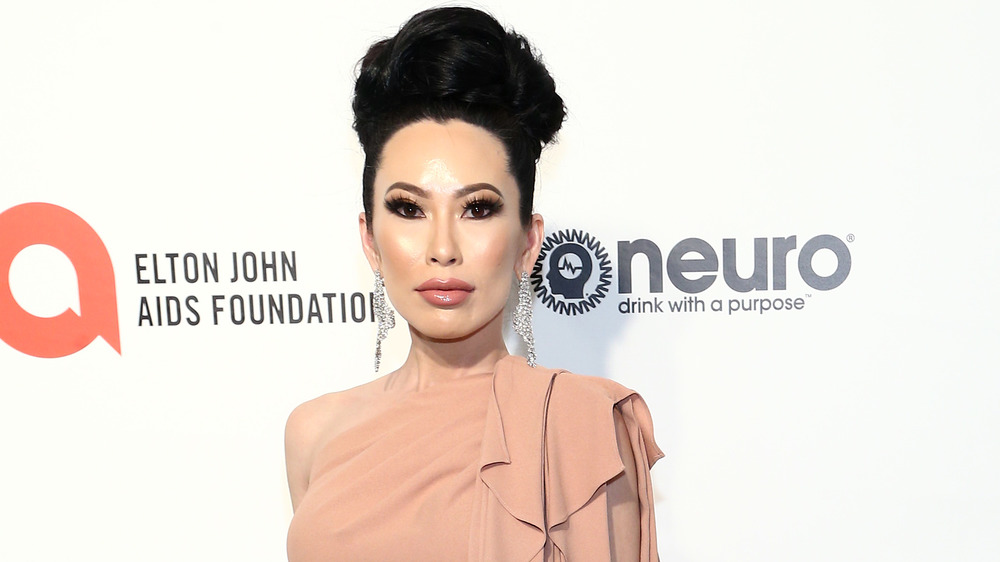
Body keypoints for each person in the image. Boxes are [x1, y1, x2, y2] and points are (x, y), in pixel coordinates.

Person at [285, 7, 662, 561]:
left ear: (527, 243)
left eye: (478, 208)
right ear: (370, 240)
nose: (443, 247)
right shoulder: (312, 433)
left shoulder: (586, 429)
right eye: (409, 209)